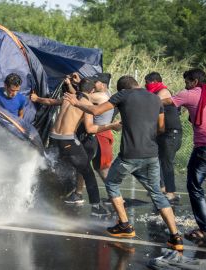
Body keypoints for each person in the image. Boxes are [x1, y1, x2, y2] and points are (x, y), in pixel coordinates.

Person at [64, 75, 183, 251]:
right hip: (151, 154)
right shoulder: (155, 98)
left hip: (130, 155)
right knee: (157, 193)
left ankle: (125, 225)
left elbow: (96, 111)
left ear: (122, 89)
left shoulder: (123, 95)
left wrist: (76, 102)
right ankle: (175, 237)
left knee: (112, 183)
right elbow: (161, 128)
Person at [32, 78, 120, 216]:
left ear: (78, 87)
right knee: (88, 172)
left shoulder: (68, 97)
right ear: (91, 91)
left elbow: (50, 102)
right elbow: (90, 129)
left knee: (52, 167)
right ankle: (96, 208)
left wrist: (36, 98)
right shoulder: (86, 104)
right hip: (67, 141)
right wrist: (112, 125)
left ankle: (33, 197)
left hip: (53, 138)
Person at [162, 68, 206, 244]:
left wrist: (140, 99)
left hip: (205, 148)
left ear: (193, 82)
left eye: (186, 82)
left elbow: (165, 101)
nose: (185, 85)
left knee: (194, 187)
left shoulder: (190, 93)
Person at [145, 72, 182, 203]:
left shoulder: (164, 91)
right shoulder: (154, 93)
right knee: (155, 161)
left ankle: (171, 193)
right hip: (161, 133)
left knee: (166, 163)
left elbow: (153, 105)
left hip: (171, 133)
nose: (146, 85)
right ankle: (161, 188)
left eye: (148, 83)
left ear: (155, 81)